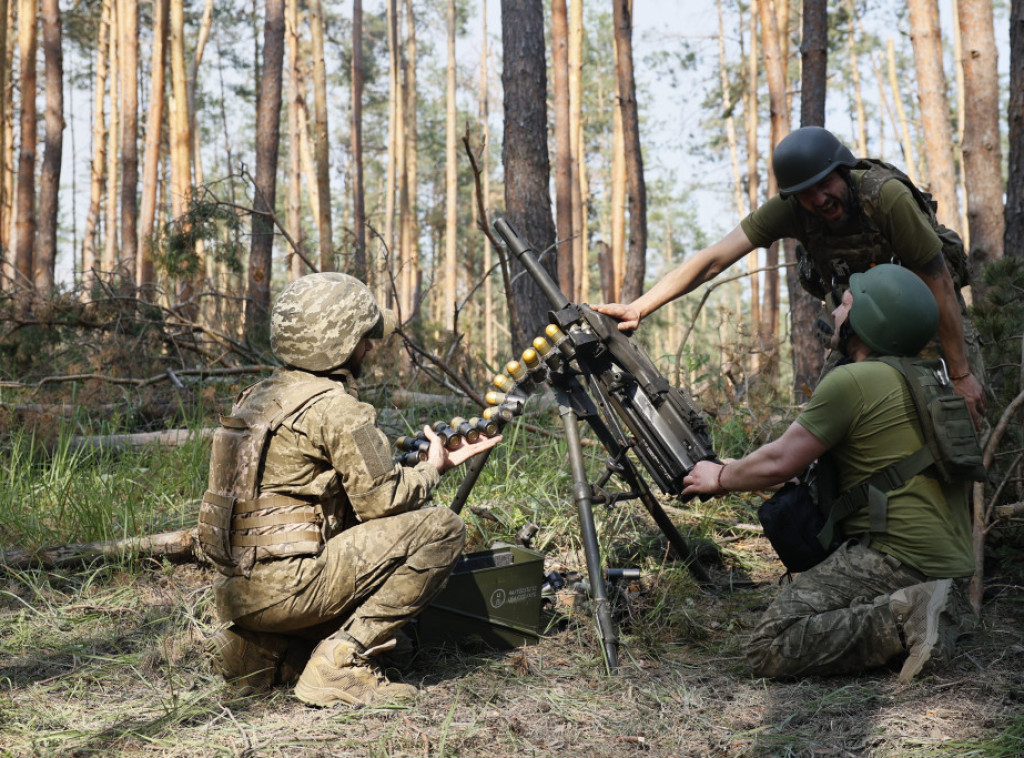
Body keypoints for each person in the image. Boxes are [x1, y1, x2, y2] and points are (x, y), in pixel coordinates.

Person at [199, 272, 501, 707]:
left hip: (237, 594)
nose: (370, 347)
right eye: (364, 337)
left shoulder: (257, 398)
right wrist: (432, 469)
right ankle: (340, 664)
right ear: (341, 343)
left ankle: (260, 651)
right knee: (442, 528)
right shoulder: (338, 409)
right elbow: (383, 501)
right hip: (292, 590)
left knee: (403, 650)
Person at [682, 264, 975, 682]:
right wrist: (733, 469)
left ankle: (906, 617)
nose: (836, 312)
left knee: (769, 644)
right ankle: (941, 605)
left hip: (900, 559)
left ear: (869, 320)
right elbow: (821, 468)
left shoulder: (854, 381)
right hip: (953, 564)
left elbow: (781, 460)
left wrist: (719, 478)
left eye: (846, 305)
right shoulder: (928, 379)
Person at [593, 126, 986, 426]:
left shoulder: (885, 196)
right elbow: (714, 259)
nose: (819, 199)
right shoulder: (792, 209)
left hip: (927, 316)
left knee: (951, 425)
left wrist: (961, 373)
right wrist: (639, 307)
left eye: (826, 184)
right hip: (862, 327)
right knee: (828, 426)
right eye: (806, 192)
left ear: (843, 171)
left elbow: (939, 283)